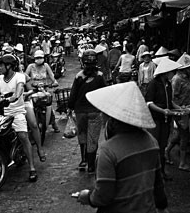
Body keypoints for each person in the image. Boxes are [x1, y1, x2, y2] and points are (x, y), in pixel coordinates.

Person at [76, 82, 169, 213]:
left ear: (112, 119)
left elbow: (103, 196)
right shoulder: (151, 142)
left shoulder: (108, 151)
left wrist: (88, 197)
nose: (102, 117)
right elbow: (158, 184)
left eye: (104, 114)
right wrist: (162, 207)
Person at [0, 54, 37, 182]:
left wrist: (12, 98)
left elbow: (18, 92)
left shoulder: (19, 77)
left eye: (1, 65)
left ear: (9, 66)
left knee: (23, 136)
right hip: (3, 113)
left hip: (17, 112)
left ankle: (32, 168)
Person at [68, 49, 107, 173]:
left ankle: (83, 160)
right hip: (95, 111)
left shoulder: (79, 76)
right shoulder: (100, 76)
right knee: (93, 138)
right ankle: (91, 165)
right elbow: (104, 94)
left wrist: (70, 107)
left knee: (82, 135)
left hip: (80, 112)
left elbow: (73, 95)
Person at [145, 58, 183, 180]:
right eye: (172, 71)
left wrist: (179, 108)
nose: (173, 74)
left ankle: (161, 172)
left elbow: (170, 102)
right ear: (166, 72)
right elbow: (149, 103)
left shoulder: (168, 84)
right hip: (155, 119)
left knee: (162, 146)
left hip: (165, 120)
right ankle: (151, 173)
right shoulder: (153, 84)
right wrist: (162, 110)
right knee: (154, 146)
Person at [24, 50, 59, 160]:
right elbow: (25, 76)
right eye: (37, 58)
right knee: (30, 109)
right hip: (33, 91)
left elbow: (52, 76)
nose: (39, 59)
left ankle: (53, 123)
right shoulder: (30, 66)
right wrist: (29, 85)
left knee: (49, 106)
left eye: (40, 57)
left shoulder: (46, 66)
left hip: (44, 89)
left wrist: (54, 81)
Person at [166, 53, 190, 172]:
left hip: (186, 109)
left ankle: (166, 151)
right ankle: (182, 162)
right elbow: (172, 98)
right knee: (184, 136)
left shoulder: (187, 77)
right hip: (180, 111)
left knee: (179, 135)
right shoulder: (177, 79)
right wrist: (180, 108)